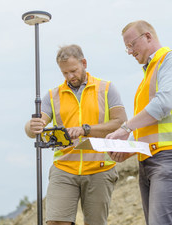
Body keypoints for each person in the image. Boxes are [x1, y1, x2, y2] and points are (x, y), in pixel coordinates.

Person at [106, 20, 172, 225]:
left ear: (148, 36)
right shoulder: (149, 75)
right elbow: (153, 127)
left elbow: (164, 103)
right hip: (152, 158)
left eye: (132, 45)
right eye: (127, 48)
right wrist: (129, 150)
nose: (130, 51)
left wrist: (124, 128)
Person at [25, 44, 127, 225]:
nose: (70, 76)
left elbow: (120, 123)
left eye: (73, 70)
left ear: (84, 63)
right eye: (64, 73)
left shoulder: (106, 89)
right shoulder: (52, 95)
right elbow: (36, 127)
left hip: (100, 169)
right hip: (64, 169)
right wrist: (31, 126)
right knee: (56, 222)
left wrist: (85, 130)